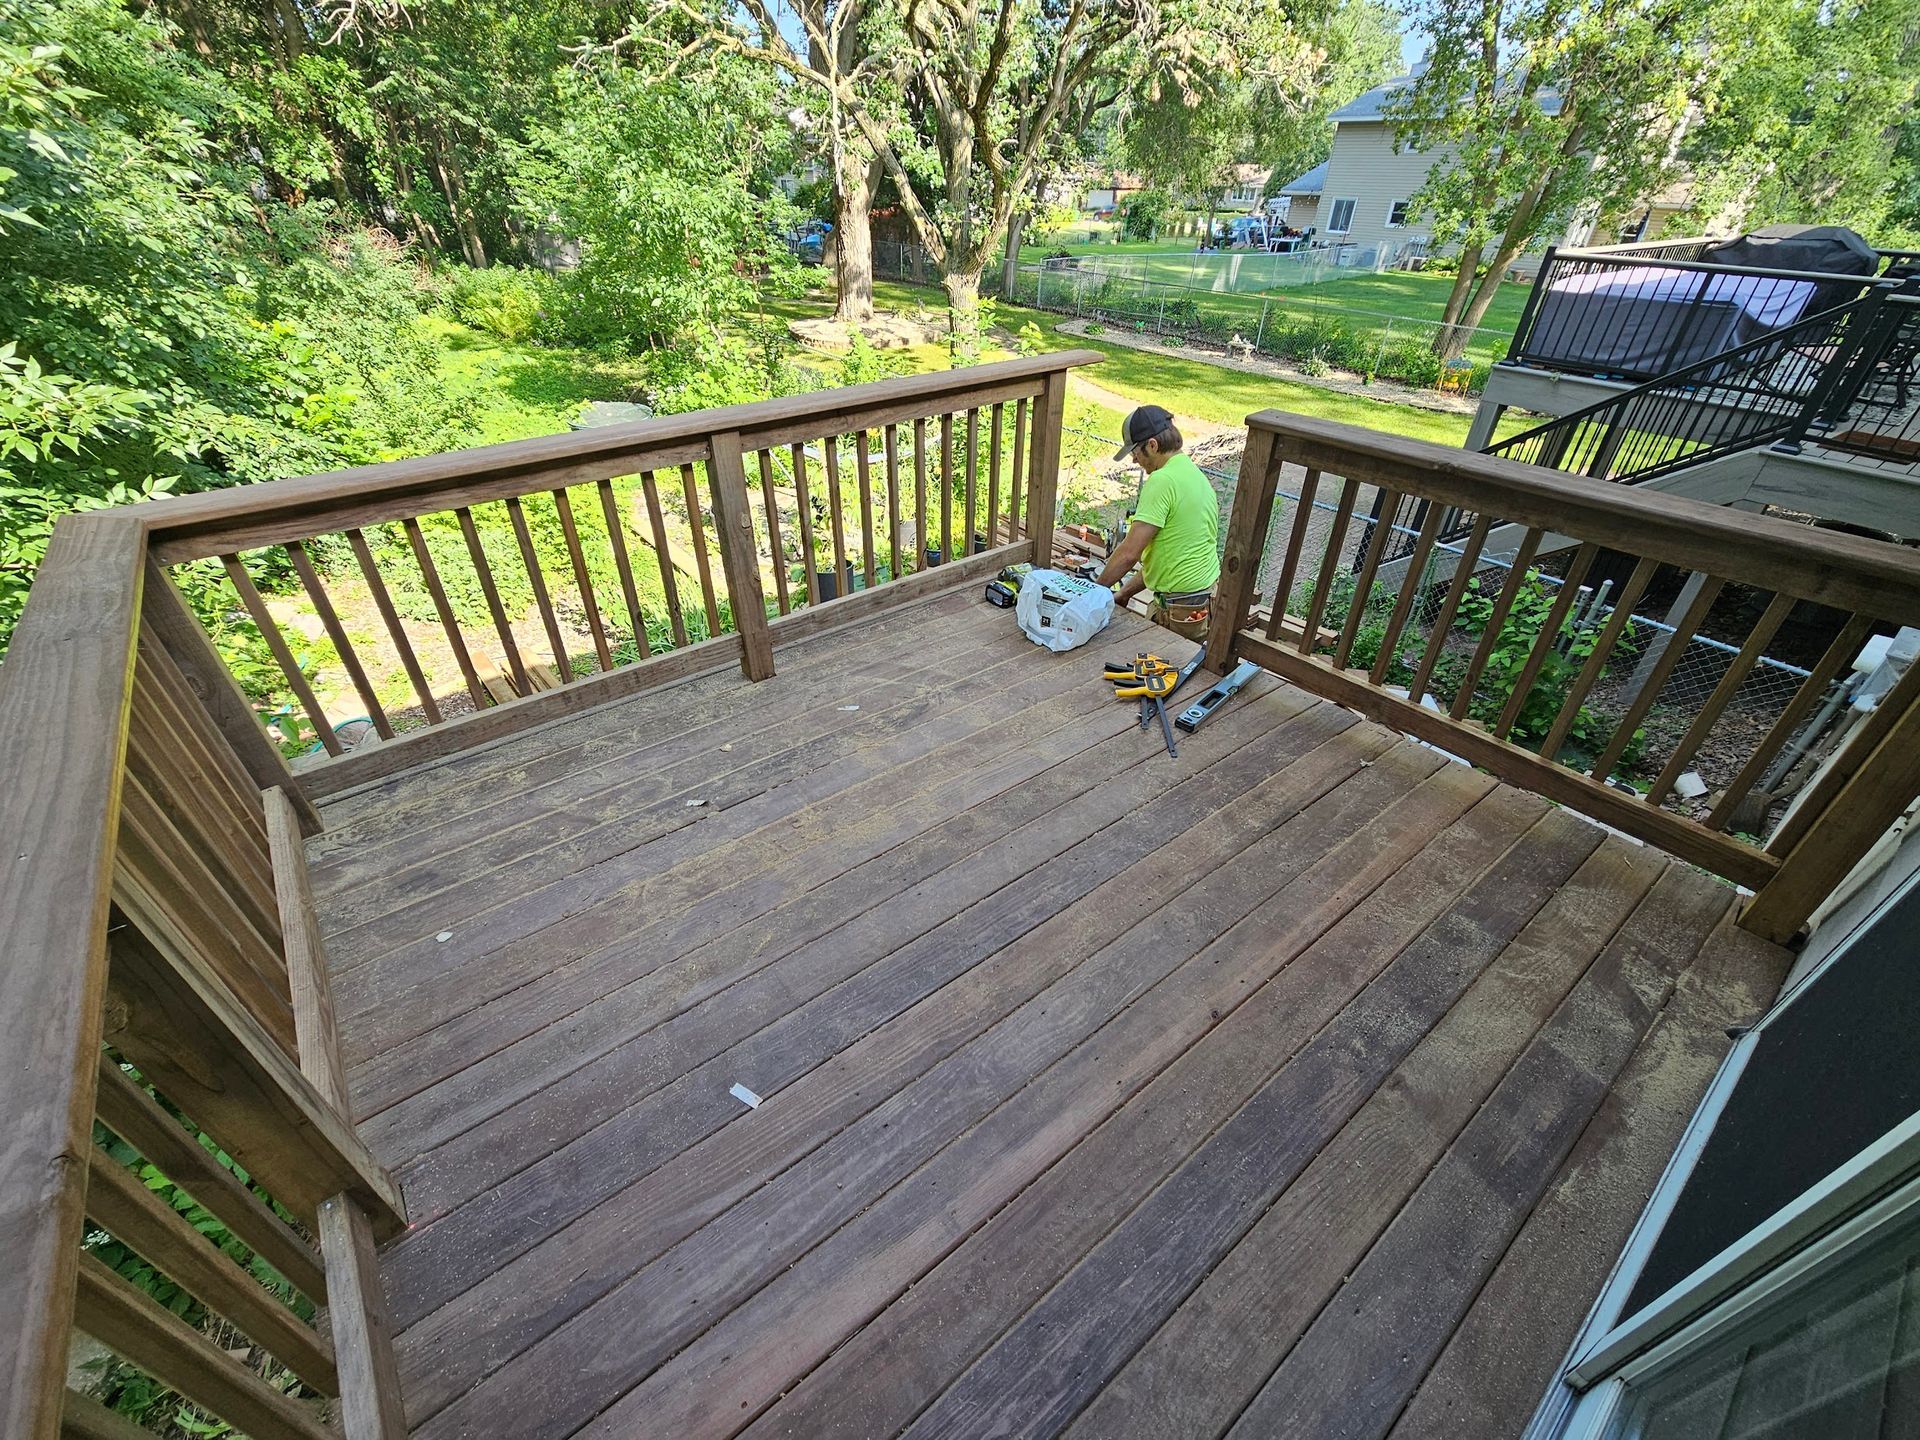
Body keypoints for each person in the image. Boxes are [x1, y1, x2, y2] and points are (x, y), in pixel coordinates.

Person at [1094, 404, 1220, 641]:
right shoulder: (1193, 474)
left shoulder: (1162, 481)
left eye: (1135, 452)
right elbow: (1165, 560)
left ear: (1152, 445)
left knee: (1160, 670)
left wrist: (1092, 593)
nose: (1134, 460)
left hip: (1178, 609)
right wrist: (1123, 593)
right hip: (1200, 598)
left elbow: (1129, 553)